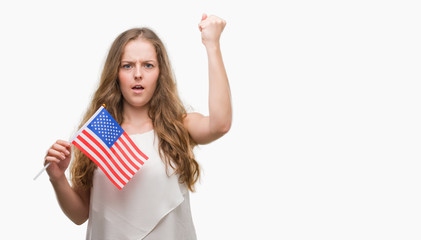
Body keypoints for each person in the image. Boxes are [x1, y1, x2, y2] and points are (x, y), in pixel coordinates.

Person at [43, 14, 231, 240]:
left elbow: (220, 124)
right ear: (116, 73)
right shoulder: (102, 131)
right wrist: (57, 177)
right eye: (127, 65)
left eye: (148, 65)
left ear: (160, 73)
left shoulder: (176, 127)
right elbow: (80, 214)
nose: (138, 74)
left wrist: (212, 45)